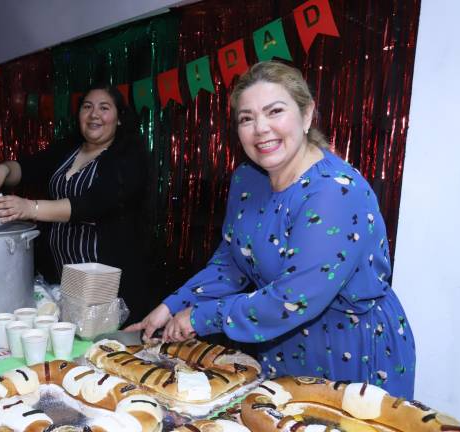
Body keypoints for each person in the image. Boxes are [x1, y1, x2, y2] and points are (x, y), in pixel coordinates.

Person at [127, 61, 416, 399]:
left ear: (306, 115)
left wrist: (200, 317)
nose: (260, 128)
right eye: (246, 118)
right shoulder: (248, 179)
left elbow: (293, 299)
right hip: (281, 347)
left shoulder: (334, 192)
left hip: (350, 355)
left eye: (274, 111)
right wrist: (172, 305)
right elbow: (232, 263)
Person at [0, 84, 151, 323]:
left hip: (108, 282)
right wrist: (3, 170)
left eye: (104, 108)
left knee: (102, 340)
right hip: (62, 275)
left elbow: (93, 203)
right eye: (87, 107)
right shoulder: (68, 149)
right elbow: (28, 168)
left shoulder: (128, 157)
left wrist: (30, 208)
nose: (94, 114)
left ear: (119, 118)